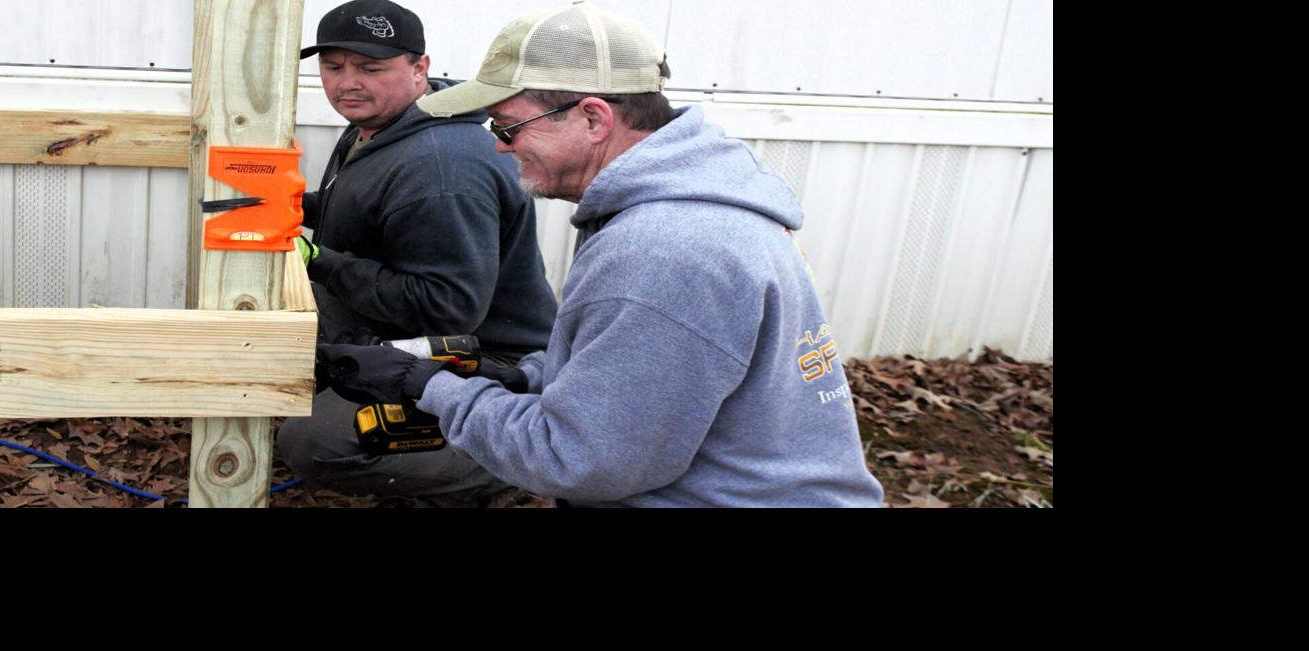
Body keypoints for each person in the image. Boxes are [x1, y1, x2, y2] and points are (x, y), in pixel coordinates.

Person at [318, 1, 883, 507]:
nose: (497, 144)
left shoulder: (666, 252)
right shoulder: (688, 205)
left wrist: (429, 387)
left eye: (510, 126)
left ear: (593, 118)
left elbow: (577, 463)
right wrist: (520, 378)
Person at [276, 0, 558, 500]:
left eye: (370, 67)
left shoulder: (439, 168)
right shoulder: (386, 123)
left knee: (315, 442)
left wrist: (322, 263)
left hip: (486, 360)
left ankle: (518, 463)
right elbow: (368, 209)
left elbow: (446, 308)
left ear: (419, 68)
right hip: (403, 340)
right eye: (333, 66)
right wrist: (295, 207)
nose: (347, 83)